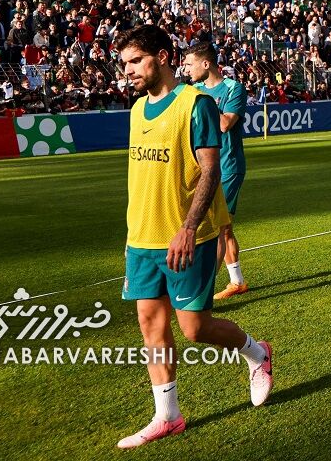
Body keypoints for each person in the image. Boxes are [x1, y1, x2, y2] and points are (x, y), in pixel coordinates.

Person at [115, 25, 272, 449]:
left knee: (194, 329)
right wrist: (132, 232)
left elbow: (211, 169)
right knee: (151, 325)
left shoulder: (195, 104)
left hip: (188, 235)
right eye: (124, 63)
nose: (127, 70)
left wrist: (187, 227)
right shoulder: (134, 111)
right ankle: (167, 416)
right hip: (142, 238)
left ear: (162, 57)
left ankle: (257, 353)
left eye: (135, 61)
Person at [183, 41, 250, 300]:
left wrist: (202, 100)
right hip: (202, 167)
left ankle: (204, 291)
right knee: (225, 228)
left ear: (205, 63)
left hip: (228, 166)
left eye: (189, 64)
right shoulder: (193, 91)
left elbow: (223, 124)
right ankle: (237, 282)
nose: (186, 69)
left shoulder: (233, 88)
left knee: (219, 226)